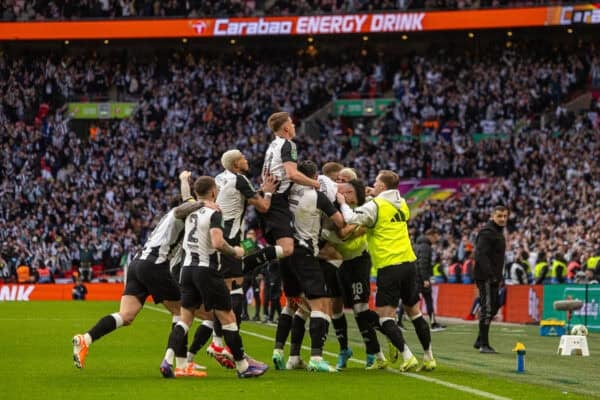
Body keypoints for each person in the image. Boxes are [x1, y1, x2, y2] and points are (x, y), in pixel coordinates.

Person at [72, 173, 216, 376]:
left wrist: (184, 180)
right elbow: (183, 208)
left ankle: (85, 339)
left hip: (137, 265)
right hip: (155, 265)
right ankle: (182, 365)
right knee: (183, 313)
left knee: (126, 316)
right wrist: (203, 204)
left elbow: (185, 200)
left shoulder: (171, 215)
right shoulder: (180, 213)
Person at [161, 176, 268, 379]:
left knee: (185, 319)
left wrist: (184, 180)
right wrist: (236, 251)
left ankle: (167, 360)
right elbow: (218, 243)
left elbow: (184, 199)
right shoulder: (215, 213)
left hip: (187, 270)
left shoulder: (190, 210)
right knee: (228, 318)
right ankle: (243, 366)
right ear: (212, 192)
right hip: (206, 270)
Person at [337, 170, 435, 372]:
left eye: (376, 182)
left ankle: (407, 357)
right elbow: (386, 204)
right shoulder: (403, 204)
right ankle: (428, 357)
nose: (373, 184)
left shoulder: (376, 206)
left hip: (389, 266)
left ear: (382, 186)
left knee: (385, 317)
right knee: (414, 313)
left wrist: (342, 203)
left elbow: (351, 217)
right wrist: (374, 193)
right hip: (409, 263)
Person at [193, 149, 275, 369]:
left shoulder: (220, 177)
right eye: (243, 158)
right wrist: (267, 192)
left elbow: (237, 198)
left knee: (223, 294)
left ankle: (212, 346)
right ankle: (221, 345)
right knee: (235, 291)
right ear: (236, 164)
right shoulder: (240, 179)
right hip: (228, 241)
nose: (247, 160)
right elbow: (263, 206)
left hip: (212, 237)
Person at [273, 160, 346, 373]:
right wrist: (340, 202)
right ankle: (316, 357)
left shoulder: (288, 192)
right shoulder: (317, 196)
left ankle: (280, 352)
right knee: (320, 303)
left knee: (291, 304)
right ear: (314, 177)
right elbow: (340, 222)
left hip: (285, 251)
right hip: (305, 252)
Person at [243, 111, 320, 270]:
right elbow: (292, 174)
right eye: (291, 123)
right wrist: (315, 183)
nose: (293, 126)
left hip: (268, 197)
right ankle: (248, 261)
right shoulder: (288, 144)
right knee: (287, 249)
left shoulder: (273, 145)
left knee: (283, 247)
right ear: (286, 128)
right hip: (275, 201)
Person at [325, 179, 388, 370]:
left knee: (360, 307)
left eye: (347, 190)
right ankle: (344, 350)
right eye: (340, 188)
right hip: (337, 262)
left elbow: (346, 232)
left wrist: (347, 232)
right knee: (335, 307)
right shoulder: (330, 206)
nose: (343, 193)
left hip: (359, 259)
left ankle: (376, 350)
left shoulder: (365, 206)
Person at [472, 205, 508, 354]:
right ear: (493, 216)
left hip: (494, 277)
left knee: (495, 305)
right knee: (487, 308)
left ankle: (480, 339)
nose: (503, 219)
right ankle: (484, 345)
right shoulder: (487, 232)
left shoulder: (498, 232)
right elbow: (480, 255)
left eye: (505, 216)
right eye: (500, 216)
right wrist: (490, 275)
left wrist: (499, 276)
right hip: (486, 276)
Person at [414, 228, 446, 331]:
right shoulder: (425, 247)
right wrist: (425, 279)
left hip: (416, 276)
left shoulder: (417, 245)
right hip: (421, 278)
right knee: (426, 300)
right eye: (436, 236)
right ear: (431, 235)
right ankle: (433, 323)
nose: (436, 239)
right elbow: (422, 263)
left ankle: (399, 321)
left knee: (411, 299)